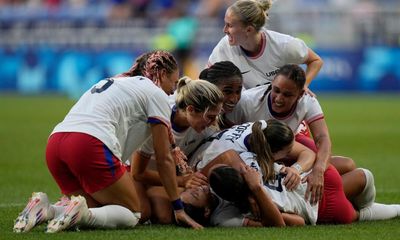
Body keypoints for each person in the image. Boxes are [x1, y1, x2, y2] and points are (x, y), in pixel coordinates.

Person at [13, 50, 202, 233]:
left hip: (55, 144)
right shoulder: (155, 92)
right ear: (161, 74)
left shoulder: (116, 81)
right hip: (88, 143)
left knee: (96, 205)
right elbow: (164, 158)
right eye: (173, 82)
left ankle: (47, 210)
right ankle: (82, 216)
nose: (172, 92)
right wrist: (178, 208)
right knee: (132, 213)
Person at [189, 120, 400, 226]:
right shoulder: (247, 164)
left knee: (363, 198)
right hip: (314, 190)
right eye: (195, 194)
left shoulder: (229, 211)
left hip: (315, 198)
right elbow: (228, 158)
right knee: (363, 177)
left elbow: (293, 223)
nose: (198, 188)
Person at [223, 64, 356, 203]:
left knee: (347, 165)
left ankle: (308, 188)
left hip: (285, 153)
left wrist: (318, 170)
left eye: (287, 94)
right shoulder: (247, 101)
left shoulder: (308, 101)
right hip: (254, 160)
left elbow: (322, 138)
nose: (279, 98)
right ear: (271, 83)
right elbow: (226, 139)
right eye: (276, 90)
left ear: (300, 94)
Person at [130, 77, 223, 223]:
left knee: (165, 217)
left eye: (216, 116)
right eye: (210, 117)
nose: (214, 123)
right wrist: (182, 181)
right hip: (132, 169)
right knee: (143, 212)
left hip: (160, 174)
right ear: (190, 109)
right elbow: (137, 173)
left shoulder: (205, 127)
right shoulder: (159, 117)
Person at [208, 0, 323, 94]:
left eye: (230, 25)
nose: (224, 30)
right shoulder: (224, 46)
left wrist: (303, 86)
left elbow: (316, 61)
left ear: (249, 30)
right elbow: (207, 79)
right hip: (251, 110)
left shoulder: (284, 45)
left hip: (282, 108)